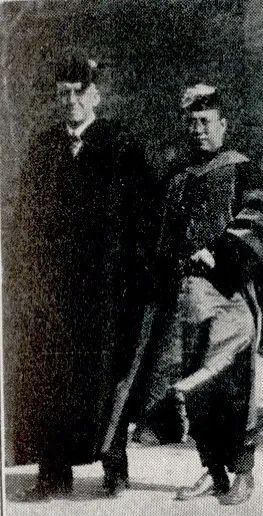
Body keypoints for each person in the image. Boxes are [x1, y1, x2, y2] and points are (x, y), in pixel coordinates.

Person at [9, 54, 155, 500]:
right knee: (52, 375)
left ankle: (114, 466)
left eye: (79, 92)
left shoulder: (121, 146)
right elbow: (25, 220)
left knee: (107, 374)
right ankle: (53, 472)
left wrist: (136, 278)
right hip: (55, 290)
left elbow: (144, 219)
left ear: (95, 96)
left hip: (106, 288)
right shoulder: (43, 148)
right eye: (64, 93)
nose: (71, 101)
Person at [147, 84, 263, 505]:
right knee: (195, 383)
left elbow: (260, 219)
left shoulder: (241, 169)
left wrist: (218, 252)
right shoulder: (178, 176)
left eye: (205, 121)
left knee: (232, 381)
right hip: (186, 298)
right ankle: (213, 470)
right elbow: (161, 235)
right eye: (191, 122)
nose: (198, 129)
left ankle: (244, 472)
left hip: (227, 292)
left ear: (223, 124)